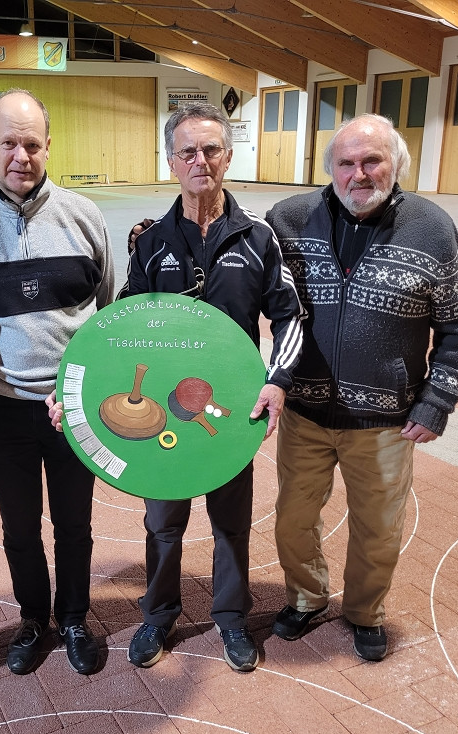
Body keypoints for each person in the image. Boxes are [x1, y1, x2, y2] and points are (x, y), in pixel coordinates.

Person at [266, 113, 458, 661]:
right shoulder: (288, 220)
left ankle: (364, 611)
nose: (358, 174)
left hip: (386, 423)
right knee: (292, 520)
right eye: (346, 162)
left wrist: (436, 404)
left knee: (379, 528)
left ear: (396, 164)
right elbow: (247, 287)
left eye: (371, 161)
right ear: (330, 168)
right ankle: (306, 598)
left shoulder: (432, 228)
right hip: (305, 413)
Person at [117, 103, 305, 673]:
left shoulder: (259, 238)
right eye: (188, 152)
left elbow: (289, 316)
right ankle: (158, 615)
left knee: (231, 522)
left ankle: (231, 620)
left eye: (211, 150)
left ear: (227, 157)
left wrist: (277, 381)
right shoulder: (151, 243)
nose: (200, 160)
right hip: (163, 411)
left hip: (231, 410)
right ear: (171, 161)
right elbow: (122, 325)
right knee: (162, 522)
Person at [0, 89, 115, 677]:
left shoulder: (84, 216)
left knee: (74, 524)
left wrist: (83, 387)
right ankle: (33, 618)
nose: (22, 155)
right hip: (1, 407)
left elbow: (106, 315)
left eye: (33, 144)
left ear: (48, 146)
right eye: (9, 143)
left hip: (73, 407)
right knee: (19, 527)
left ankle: (74, 618)